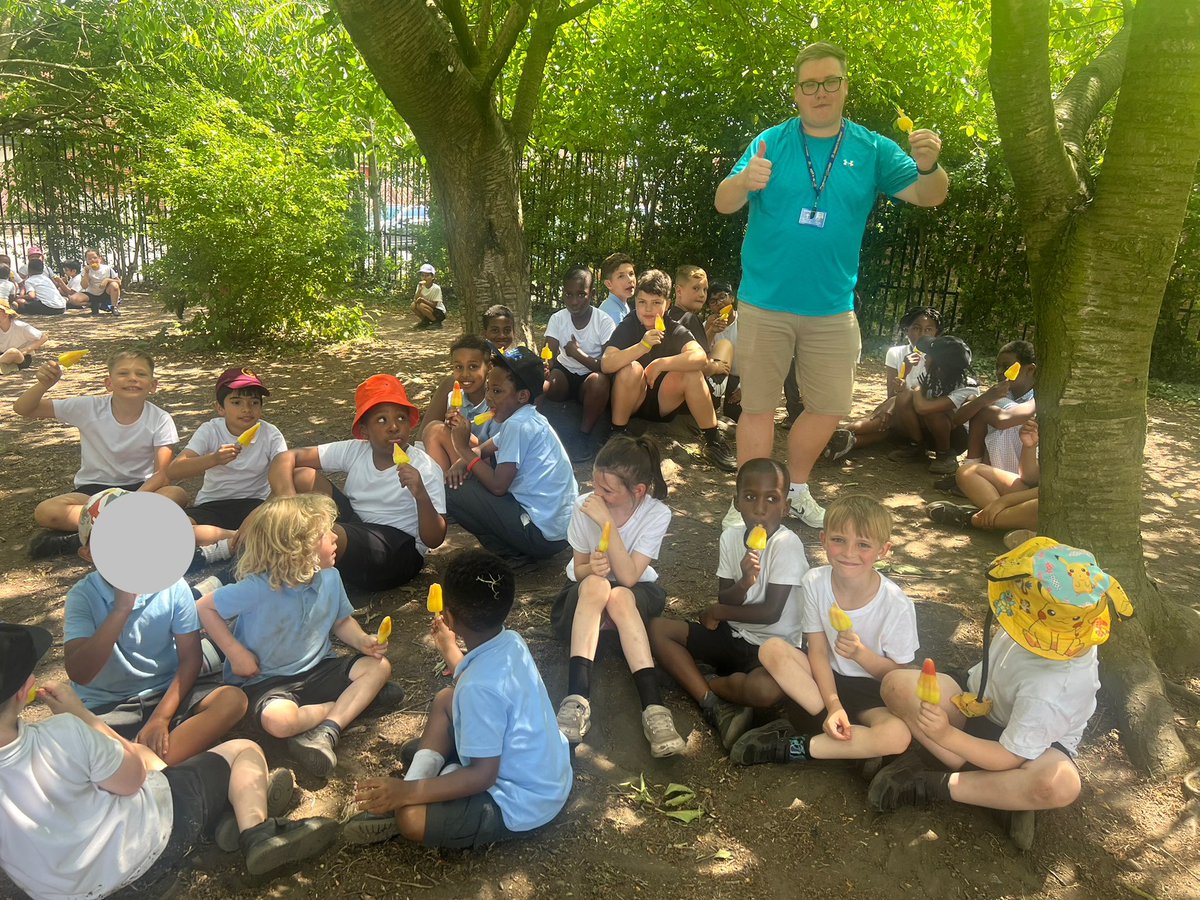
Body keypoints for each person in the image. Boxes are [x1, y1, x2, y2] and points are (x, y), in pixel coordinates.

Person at [715, 41, 949, 528]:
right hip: (764, 302)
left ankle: (795, 488)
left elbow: (929, 195)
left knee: (829, 407)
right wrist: (743, 182)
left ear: (844, 87)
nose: (819, 92)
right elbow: (723, 202)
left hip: (831, 308)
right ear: (796, 93)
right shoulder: (770, 142)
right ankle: (750, 503)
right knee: (756, 407)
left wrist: (930, 165)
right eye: (809, 84)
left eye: (830, 82)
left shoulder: (871, 148)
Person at [0, 624, 339, 898]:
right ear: (21, 692)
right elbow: (134, 776)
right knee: (242, 750)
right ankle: (256, 831)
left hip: (62, 891)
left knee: (165, 772)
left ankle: (227, 814)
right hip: (143, 849)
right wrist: (84, 716)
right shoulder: (64, 734)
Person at [869, 538, 1133, 849]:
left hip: (1031, 750)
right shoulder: (1050, 615)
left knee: (1057, 785)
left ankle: (935, 784)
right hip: (978, 704)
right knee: (896, 685)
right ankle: (1001, 795)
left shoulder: (1053, 689)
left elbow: (1010, 755)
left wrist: (944, 735)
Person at [344, 550, 572, 847]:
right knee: (444, 699)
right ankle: (425, 777)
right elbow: (479, 682)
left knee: (411, 819)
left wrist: (406, 794)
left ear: (449, 616)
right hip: (546, 771)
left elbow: (483, 776)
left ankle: (412, 792)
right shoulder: (511, 641)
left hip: (522, 801)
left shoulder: (478, 688)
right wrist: (449, 649)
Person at [195, 494, 400, 777]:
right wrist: (235, 652)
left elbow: (341, 622)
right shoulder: (257, 588)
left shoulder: (330, 577)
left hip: (319, 669)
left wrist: (363, 640)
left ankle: (328, 730)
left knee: (380, 667)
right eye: (325, 533)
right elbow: (205, 608)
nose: (335, 537)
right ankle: (346, 705)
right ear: (296, 548)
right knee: (279, 722)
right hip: (267, 681)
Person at [729, 495, 917, 768]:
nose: (849, 553)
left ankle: (794, 747)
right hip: (821, 683)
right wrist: (833, 705)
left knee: (898, 736)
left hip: (874, 695)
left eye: (863, 544)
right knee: (771, 649)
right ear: (823, 539)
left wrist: (861, 655)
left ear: (883, 550)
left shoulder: (896, 604)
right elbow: (816, 651)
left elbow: (900, 678)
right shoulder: (815, 582)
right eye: (839, 540)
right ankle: (854, 744)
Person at [64, 488, 249, 765]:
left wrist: (161, 717)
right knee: (69, 736)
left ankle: (141, 764)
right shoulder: (83, 596)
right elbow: (80, 672)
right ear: (88, 553)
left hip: (167, 693)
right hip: (106, 706)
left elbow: (190, 660)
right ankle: (151, 762)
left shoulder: (173, 587)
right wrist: (121, 609)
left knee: (233, 700)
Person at [650, 458, 808, 750]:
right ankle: (713, 704)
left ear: (785, 507)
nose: (760, 508)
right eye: (750, 497)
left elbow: (770, 613)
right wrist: (745, 582)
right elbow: (726, 596)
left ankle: (703, 680)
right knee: (658, 629)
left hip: (770, 650)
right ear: (736, 502)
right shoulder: (731, 537)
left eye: (772, 499)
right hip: (731, 636)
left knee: (766, 690)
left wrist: (718, 612)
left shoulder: (787, 545)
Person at [549, 435, 687, 757]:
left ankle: (654, 710)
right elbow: (579, 568)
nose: (597, 496)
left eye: (607, 491)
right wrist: (592, 570)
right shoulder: (583, 507)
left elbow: (629, 576)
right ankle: (576, 700)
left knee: (620, 595)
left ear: (637, 491)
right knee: (599, 586)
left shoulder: (656, 515)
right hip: (585, 599)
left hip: (633, 595)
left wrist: (607, 523)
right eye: (595, 485)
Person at [269, 374, 446, 597]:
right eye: (382, 420)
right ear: (364, 431)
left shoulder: (425, 468)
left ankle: (281, 580)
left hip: (399, 551)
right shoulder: (357, 450)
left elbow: (435, 539)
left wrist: (421, 494)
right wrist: (287, 505)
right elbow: (285, 458)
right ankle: (276, 551)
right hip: (356, 525)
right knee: (301, 477)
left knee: (327, 534)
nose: (393, 427)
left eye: (401, 418)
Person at [14, 349, 189, 560]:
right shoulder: (88, 408)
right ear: (109, 383)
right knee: (46, 511)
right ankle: (128, 532)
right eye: (123, 373)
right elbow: (23, 408)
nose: (132, 378)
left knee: (176, 495)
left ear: (153, 385)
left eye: (141, 374)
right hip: (93, 492)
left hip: (140, 489)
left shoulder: (161, 419)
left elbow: (162, 474)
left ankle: (87, 536)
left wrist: (132, 501)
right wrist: (44, 384)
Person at [445, 347, 578, 567]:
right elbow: (484, 450)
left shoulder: (518, 426)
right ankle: (515, 547)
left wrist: (462, 448)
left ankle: (512, 552)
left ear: (522, 396)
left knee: (452, 490)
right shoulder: (527, 418)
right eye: (488, 389)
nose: (488, 398)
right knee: (467, 473)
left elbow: (498, 486)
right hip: (558, 534)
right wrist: (463, 461)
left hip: (541, 535)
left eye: (497, 391)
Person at [600, 269, 736, 471]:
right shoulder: (629, 324)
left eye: (656, 303)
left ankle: (713, 440)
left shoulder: (673, 327)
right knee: (631, 369)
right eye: (642, 302)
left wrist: (660, 363)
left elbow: (699, 358)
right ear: (635, 302)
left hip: (664, 402)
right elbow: (607, 363)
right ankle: (617, 434)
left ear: (668, 305)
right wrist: (642, 347)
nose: (648, 309)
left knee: (691, 372)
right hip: (633, 401)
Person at [168, 366, 288, 557]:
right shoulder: (210, 430)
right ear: (220, 408)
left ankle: (224, 545)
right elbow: (174, 471)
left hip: (255, 504)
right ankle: (240, 540)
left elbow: (283, 480)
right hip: (213, 504)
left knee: (285, 528)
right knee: (175, 529)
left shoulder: (270, 434)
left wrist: (264, 509)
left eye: (254, 402)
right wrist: (213, 459)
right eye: (237, 402)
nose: (246, 409)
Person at [823, 306, 943, 462]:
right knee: (883, 430)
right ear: (907, 330)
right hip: (896, 411)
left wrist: (893, 405)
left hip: (921, 416)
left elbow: (933, 397)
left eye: (928, 330)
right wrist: (905, 370)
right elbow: (892, 394)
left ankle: (830, 437)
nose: (921, 334)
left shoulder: (940, 357)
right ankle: (842, 442)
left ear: (936, 333)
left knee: (880, 422)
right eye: (916, 328)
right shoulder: (896, 353)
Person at [541, 264, 615, 458]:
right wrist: (545, 368)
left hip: (590, 379)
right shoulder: (558, 319)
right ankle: (533, 431)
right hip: (563, 375)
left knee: (599, 382)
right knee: (545, 382)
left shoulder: (604, 322)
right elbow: (549, 354)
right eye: (568, 294)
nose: (574, 301)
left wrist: (577, 354)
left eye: (581, 294)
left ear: (592, 293)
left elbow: (608, 366)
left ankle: (583, 436)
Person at [886, 335, 983, 474]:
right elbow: (910, 398)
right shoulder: (933, 377)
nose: (925, 358)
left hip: (955, 439)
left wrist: (918, 388)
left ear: (940, 364)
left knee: (934, 412)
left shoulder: (967, 386)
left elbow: (923, 408)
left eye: (929, 356)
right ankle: (917, 446)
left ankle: (945, 455)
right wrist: (904, 384)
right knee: (904, 397)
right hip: (930, 431)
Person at [420, 334, 500, 472]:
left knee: (434, 429)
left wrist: (466, 435)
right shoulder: (453, 398)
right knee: (434, 429)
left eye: (473, 366)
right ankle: (442, 486)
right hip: (459, 460)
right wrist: (450, 426)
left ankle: (442, 487)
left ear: (489, 368)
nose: (464, 374)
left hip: (486, 468)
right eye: (458, 367)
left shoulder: (497, 405)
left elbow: (496, 454)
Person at [0, 298, 48, 375]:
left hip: (21, 357)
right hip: (2, 355)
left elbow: (44, 337)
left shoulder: (20, 326)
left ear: (5, 314)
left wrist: (26, 349)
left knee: (13, 352)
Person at [71, 248, 123, 315]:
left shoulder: (107, 268)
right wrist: (86, 273)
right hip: (91, 294)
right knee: (73, 299)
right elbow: (84, 286)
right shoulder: (85, 270)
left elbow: (119, 282)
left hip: (104, 292)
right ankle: (93, 305)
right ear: (86, 260)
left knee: (114, 285)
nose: (92, 260)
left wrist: (107, 280)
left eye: (95, 258)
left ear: (99, 258)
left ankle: (114, 307)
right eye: (89, 259)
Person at [598, 251, 636, 326]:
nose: (630, 280)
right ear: (608, 284)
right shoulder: (614, 313)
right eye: (621, 276)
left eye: (631, 274)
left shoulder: (621, 305)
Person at [412, 263, 446, 328]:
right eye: (422, 275)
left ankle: (436, 322)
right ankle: (425, 321)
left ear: (432, 277)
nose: (424, 278)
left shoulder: (436, 288)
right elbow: (415, 299)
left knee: (421, 305)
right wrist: (419, 290)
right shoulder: (420, 286)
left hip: (438, 312)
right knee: (413, 305)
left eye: (427, 275)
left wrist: (422, 300)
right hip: (427, 308)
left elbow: (434, 305)